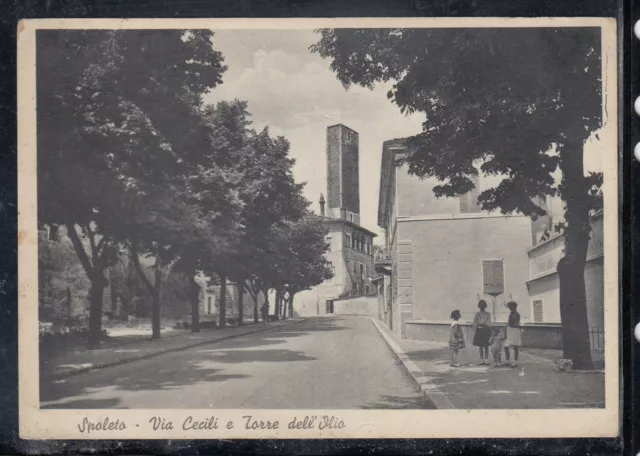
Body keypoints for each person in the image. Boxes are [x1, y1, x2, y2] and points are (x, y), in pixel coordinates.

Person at [472, 300, 492, 365]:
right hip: (479, 331)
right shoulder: (477, 314)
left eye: (483, 306)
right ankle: (481, 359)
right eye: (481, 306)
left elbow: (489, 323)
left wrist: (483, 324)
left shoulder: (488, 314)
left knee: (486, 346)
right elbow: (474, 323)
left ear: (485, 306)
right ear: (479, 306)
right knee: (480, 346)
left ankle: (486, 359)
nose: (482, 307)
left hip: (486, 331)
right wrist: (479, 324)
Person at [504, 301, 522, 367]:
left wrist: (510, 325)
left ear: (513, 307)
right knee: (506, 346)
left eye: (510, 307)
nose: (509, 308)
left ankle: (515, 361)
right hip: (510, 330)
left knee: (515, 346)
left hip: (514, 331)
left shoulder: (517, 314)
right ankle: (507, 360)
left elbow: (516, 323)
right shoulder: (511, 314)